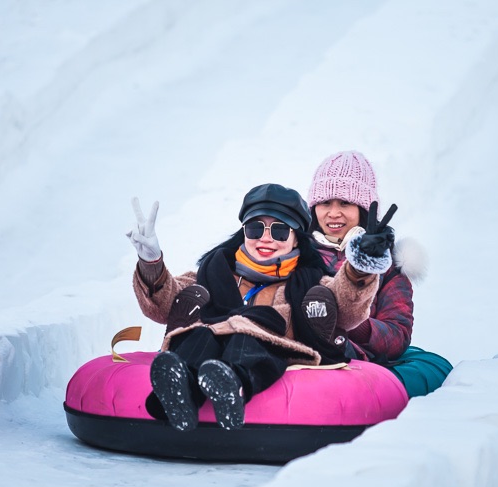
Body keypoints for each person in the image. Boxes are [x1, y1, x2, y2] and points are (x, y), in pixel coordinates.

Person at [126, 183, 396, 431]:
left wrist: (360, 267)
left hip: (264, 356)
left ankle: (232, 386)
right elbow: (164, 305)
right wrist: (152, 264)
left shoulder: (311, 282)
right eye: (255, 228)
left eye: (278, 230)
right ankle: (181, 393)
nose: (265, 238)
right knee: (199, 335)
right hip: (206, 353)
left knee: (249, 335)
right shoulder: (213, 273)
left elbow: (347, 304)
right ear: (244, 232)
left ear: (296, 238)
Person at [305, 150, 452, 396]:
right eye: (325, 203)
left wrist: (353, 323)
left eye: (345, 203)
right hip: (301, 354)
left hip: (360, 363)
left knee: (431, 368)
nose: (333, 213)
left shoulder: (388, 265)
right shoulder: (296, 252)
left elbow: (397, 335)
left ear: (363, 209)